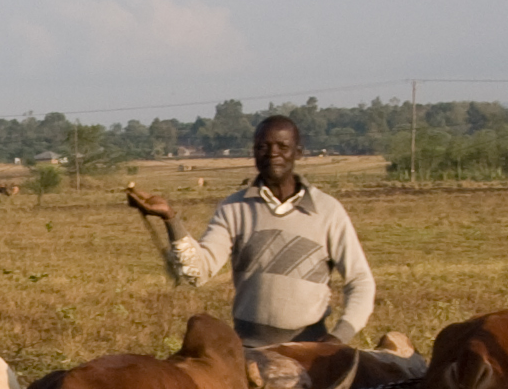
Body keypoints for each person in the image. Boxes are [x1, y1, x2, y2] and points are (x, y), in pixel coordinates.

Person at [124, 113, 377, 348]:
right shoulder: (234, 209)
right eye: (262, 147)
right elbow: (197, 273)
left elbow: (361, 281)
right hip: (248, 350)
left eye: (283, 147)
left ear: (298, 152)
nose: (272, 154)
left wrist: (337, 339)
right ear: (254, 153)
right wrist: (170, 219)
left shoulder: (328, 211)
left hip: (309, 350)